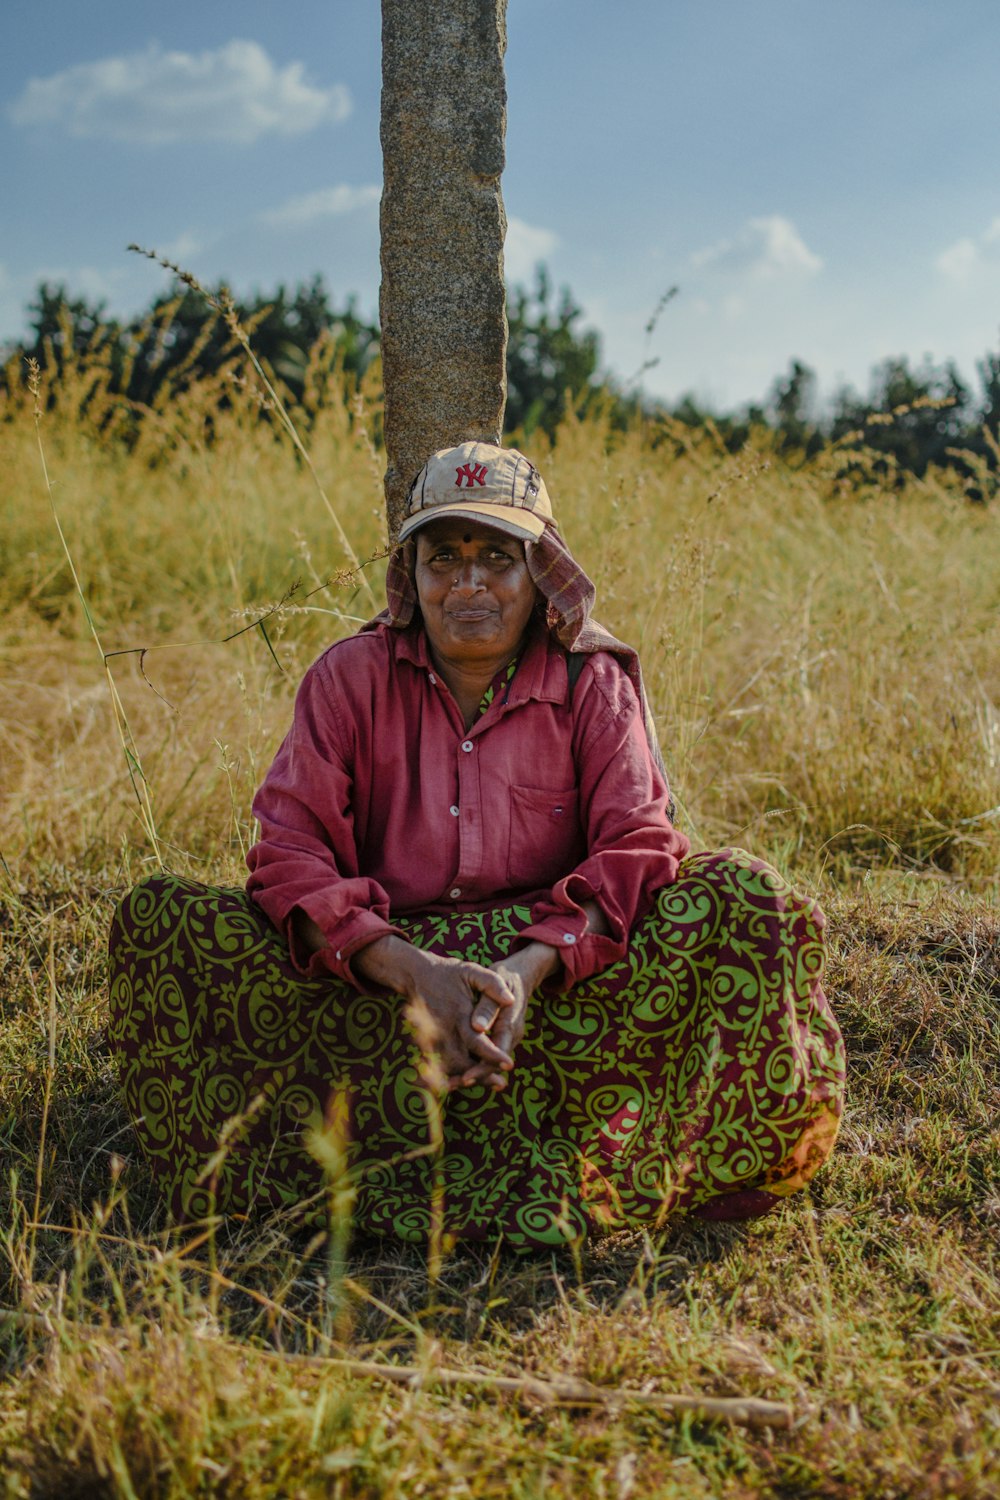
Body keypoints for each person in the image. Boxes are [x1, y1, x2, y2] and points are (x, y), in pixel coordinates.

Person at [108, 441, 845, 1247]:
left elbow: (638, 844)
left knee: (747, 898)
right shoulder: (348, 677)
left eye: (497, 557)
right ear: (411, 573)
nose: (468, 584)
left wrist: (525, 974)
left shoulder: (589, 682)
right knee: (163, 920)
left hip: (554, 991)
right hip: (379, 992)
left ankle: (654, 1167)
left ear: (540, 573)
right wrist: (417, 976)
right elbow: (289, 854)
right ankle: (311, 1176)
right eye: (442, 559)